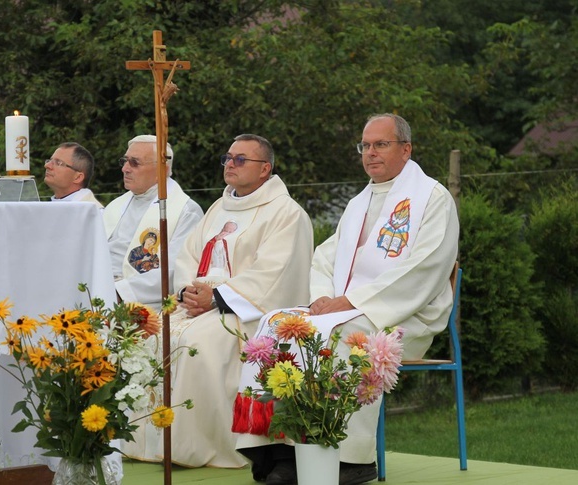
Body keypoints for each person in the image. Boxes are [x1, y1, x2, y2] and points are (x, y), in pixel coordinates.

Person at [234, 114, 459, 485]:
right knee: (278, 324)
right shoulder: (361, 200)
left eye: (380, 144)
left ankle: (351, 460)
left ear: (406, 149)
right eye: (365, 146)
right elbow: (326, 256)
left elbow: (426, 267)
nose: (370, 153)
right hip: (349, 309)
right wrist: (324, 298)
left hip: (405, 315)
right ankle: (282, 450)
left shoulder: (432, 198)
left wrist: (352, 302)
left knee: (346, 337)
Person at [121, 134, 314, 468]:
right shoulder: (218, 207)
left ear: (265, 168)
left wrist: (219, 297)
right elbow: (187, 257)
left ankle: (196, 445)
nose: (230, 164)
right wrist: (187, 292)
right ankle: (145, 443)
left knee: (196, 343)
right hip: (200, 303)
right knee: (150, 333)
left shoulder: (286, 213)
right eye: (228, 158)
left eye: (241, 159)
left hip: (249, 311)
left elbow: (274, 273)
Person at [104, 135, 203, 310]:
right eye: (125, 161)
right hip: (97, 290)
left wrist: (118, 292)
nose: (125, 169)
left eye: (134, 163)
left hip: (141, 304)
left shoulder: (186, 211)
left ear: (162, 170)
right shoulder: (116, 205)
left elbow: (175, 270)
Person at [44, 142, 103, 206]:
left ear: (78, 177)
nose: (47, 165)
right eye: (50, 160)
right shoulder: (50, 207)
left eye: (59, 163)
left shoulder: (91, 212)